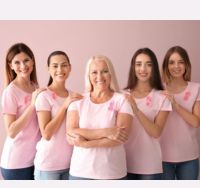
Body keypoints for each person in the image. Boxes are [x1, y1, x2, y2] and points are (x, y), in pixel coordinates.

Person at [66, 55, 133, 180]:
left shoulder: (122, 100)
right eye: (94, 72)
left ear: (111, 74)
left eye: (104, 71)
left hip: (112, 173)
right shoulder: (78, 100)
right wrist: (107, 132)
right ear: (88, 76)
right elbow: (71, 132)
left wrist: (87, 144)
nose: (99, 77)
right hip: (80, 172)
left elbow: (120, 138)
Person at [124, 48, 172, 180]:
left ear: (154, 68)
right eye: (138, 64)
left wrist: (136, 110)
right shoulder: (122, 95)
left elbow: (156, 132)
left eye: (148, 64)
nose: (143, 69)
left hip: (149, 166)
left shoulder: (162, 97)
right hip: (123, 163)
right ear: (133, 67)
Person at [34, 51, 82, 180]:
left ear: (70, 67)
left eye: (64, 65)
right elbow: (47, 134)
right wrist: (65, 105)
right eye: (55, 66)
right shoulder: (44, 96)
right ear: (48, 69)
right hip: (48, 166)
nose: (60, 69)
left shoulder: (74, 96)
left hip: (71, 164)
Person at [0, 43, 44, 180]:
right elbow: (11, 131)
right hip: (16, 164)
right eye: (17, 62)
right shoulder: (10, 92)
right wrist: (32, 105)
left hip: (35, 159)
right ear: (11, 66)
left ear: (32, 61)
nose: (23, 66)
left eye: (26, 60)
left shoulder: (34, 86)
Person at [160, 46, 200, 180]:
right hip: (162, 156)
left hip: (189, 157)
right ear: (166, 66)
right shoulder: (158, 90)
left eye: (180, 62)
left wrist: (175, 104)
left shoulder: (196, 88)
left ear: (186, 65)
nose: (176, 66)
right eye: (171, 62)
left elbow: (196, 122)